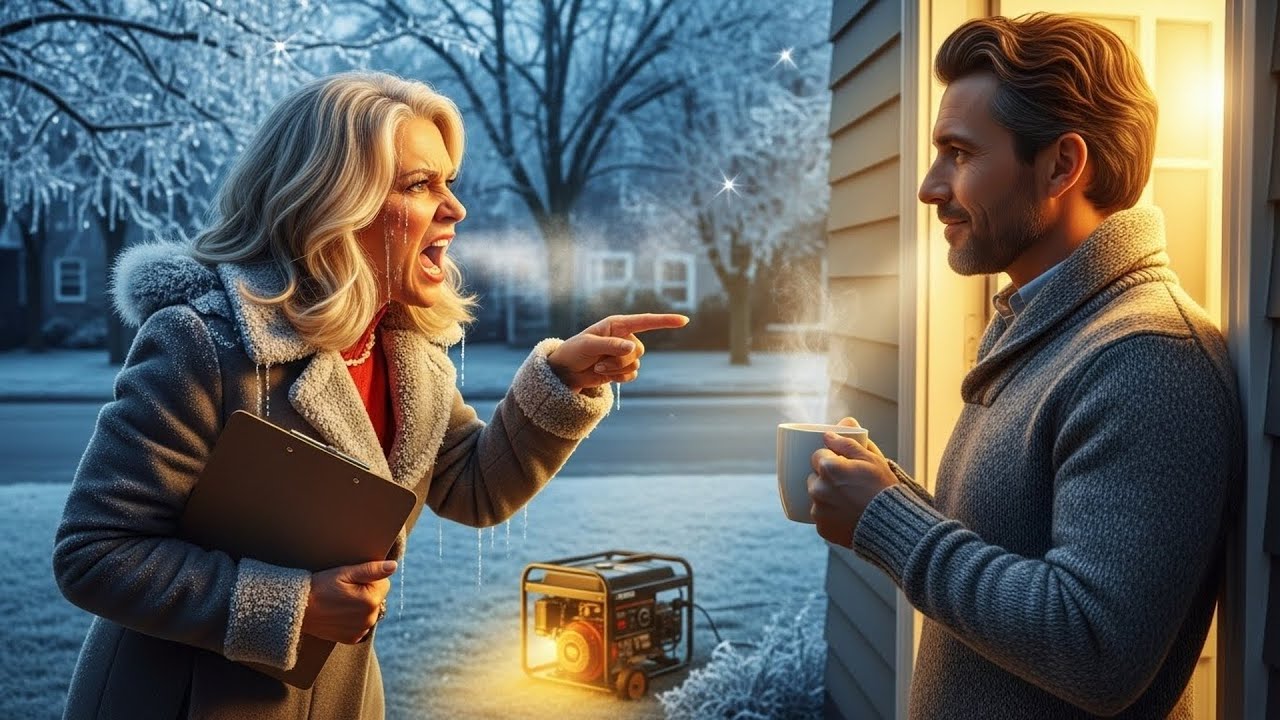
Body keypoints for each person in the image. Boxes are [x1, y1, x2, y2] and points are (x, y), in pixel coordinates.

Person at [51, 71, 687, 719]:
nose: (455, 209)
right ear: (332, 200)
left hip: (343, 700)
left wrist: (563, 380)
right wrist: (293, 606)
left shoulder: (410, 353)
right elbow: (95, 552)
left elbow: (474, 488)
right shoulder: (203, 343)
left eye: (450, 182)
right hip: (180, 701)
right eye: (420, 184)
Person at [806, 14, 1241, 720]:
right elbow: (1011, 555)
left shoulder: (1146, 357)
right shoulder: (1049, 326)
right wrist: (889, 494)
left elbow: (1095, 646)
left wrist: (886, 521)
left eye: (958, 152)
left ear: (1063, 165)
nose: (929, 186)